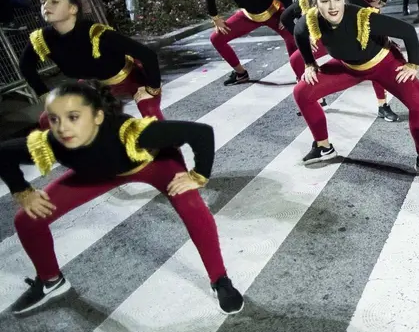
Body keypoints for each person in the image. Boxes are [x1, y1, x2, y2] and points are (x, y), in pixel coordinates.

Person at [0, 80, 243, 315]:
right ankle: (51, 280)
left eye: (73, 117)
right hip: (98, 173)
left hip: (151, 163)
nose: (63, 128)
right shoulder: (53, 142)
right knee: (26, 220)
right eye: (55, 120)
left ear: (98, 117)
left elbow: (200, 133)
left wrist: (197, 176)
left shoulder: (134, 134)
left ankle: (219, 279)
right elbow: (3, 154)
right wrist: (24, 191)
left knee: (192, 207)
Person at [292, 0, 419, 178]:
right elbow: (299, 33)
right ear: (316, 3)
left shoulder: (363, 17)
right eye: (325, 1)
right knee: (302, 92)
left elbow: (408, 31)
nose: (333, 6)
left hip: (385, 64)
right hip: (349, 68)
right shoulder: (311, 20)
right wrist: (310, 64)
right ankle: (323, 146)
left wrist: (413, 64)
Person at [20, 0, 164, 120]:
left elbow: (147, 55)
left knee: (150, 110)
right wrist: (44, 94)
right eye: (42, 1)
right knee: (48, 119)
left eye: (54, 1)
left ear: (72, 8)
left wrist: (152, 89)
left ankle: (167, 145)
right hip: (93, 86)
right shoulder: (42, 38)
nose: (46, 5)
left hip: (128, 77)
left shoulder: (96, 34)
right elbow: (26, 66)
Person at [280, 0, 400, 123]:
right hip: (326, 41)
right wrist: (307, 38)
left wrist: (385, 37)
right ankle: (318, 97)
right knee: (296, 59)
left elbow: (372, 14)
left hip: (350, 40)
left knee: (373, 64)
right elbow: (285, 18)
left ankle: (383, 105)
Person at [204, 0, 298, 85]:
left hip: (273, 14)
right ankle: (240, 74)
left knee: (292, 37)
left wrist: (286, 16)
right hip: (249, 16)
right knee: (216, 38)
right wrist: (216, 19)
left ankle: (301, 75)